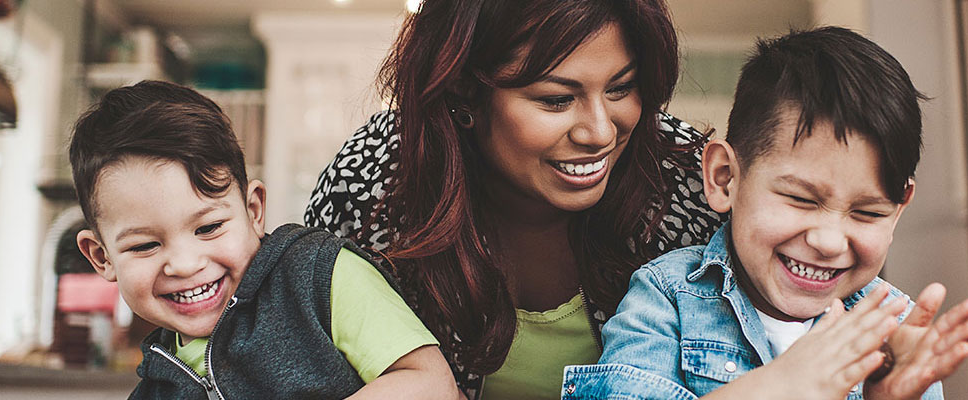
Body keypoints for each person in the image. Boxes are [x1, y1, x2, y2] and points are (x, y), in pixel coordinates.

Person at [303, 0, 723, 398]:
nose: (600, 133)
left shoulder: (684, 180)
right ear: (464, 89)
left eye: (620, 89)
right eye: (556, 100)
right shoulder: (376, 175)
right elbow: (300, 339)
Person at [560, 27, 968, 400]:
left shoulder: (895, 334)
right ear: (725, 178)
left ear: (898, 211)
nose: (829, 240)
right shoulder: (667, 300)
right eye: (801, 199)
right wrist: (775, 386)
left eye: (867, 213)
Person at [69, 81, 458, 399]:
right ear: (101, 257)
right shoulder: (155, 386)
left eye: (208, 228)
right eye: (145, 246)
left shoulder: (319, 277)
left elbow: (432, 384)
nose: (185, 264)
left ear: (254, 211)